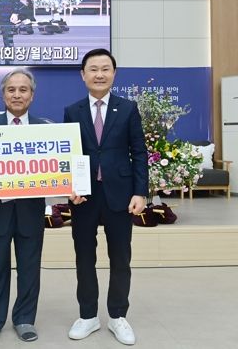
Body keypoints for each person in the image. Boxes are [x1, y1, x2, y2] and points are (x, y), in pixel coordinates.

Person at [63, 48, 148, 346]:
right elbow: (68, 153)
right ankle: (88, 315)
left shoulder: (128, 108)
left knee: (120, 257)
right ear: (83, 75)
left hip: (120, 194)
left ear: (114, 73)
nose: (99, 74)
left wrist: (140, 192)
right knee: (84, 257)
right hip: (84, 197)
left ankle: (117, 316)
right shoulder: (72, 110)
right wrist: (69, 187)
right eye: (93, 69)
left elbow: (139, 152)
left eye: (105, 69)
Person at [0, 69, 46, 343]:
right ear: (3, 94)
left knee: (30, 267)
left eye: (23, 89)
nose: (17, 95)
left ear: (32, 95)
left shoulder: (45, 130)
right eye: (11, 89)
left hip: (31, 211)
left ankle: (25, 318)